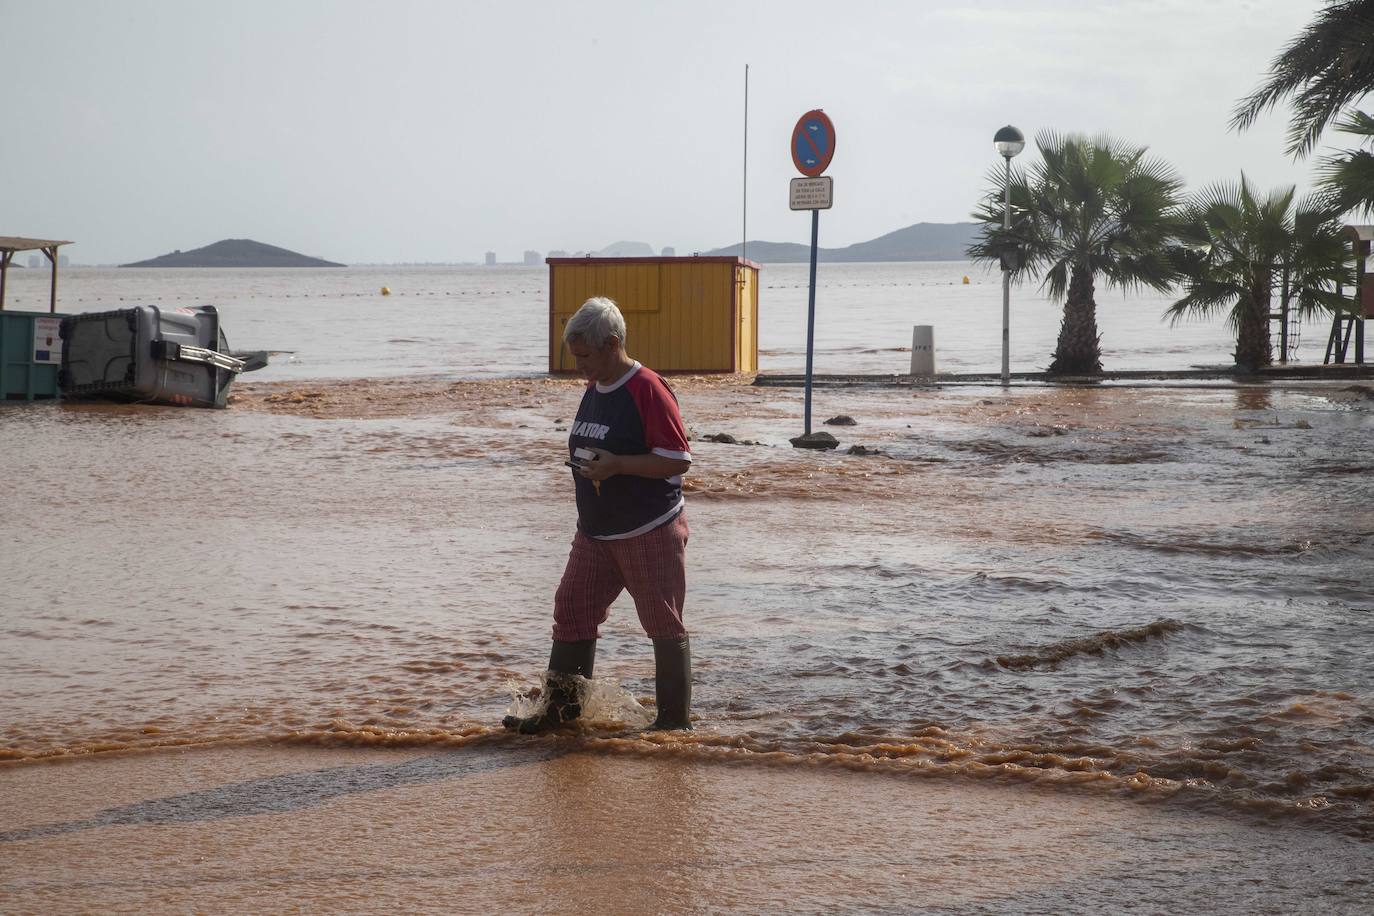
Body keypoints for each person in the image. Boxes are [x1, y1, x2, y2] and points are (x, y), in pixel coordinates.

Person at [503, 296, 694, 734]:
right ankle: (560, 714)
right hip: (594, 532)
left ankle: (672, 724)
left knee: (662, 621)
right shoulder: (594, 390)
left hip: (648, 528)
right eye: (575, 357)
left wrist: (617, 465)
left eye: (586, 357)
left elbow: (677, 459)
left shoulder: (648, 387)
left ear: (612, 343)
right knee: (571, 609)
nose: (579, 367)